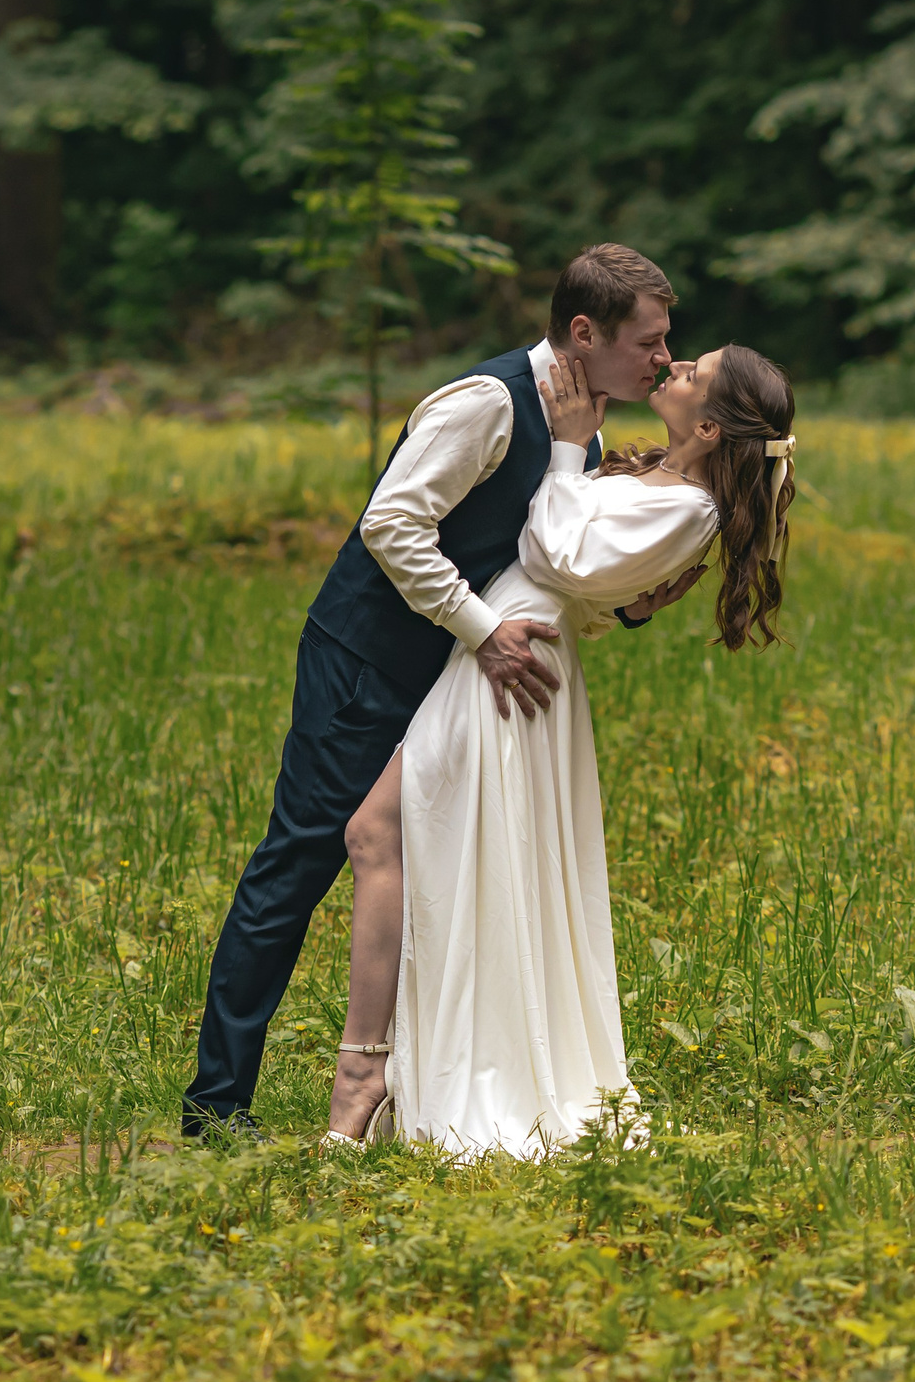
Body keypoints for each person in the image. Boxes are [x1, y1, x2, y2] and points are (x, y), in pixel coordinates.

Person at [184, 245, 699, 1135]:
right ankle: (215, 1107)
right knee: (298, 865)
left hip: (452, 681)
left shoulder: (586, 432)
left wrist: (626, 605)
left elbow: (534, 565)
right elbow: (391, 521)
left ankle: (417, 1089)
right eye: (648, 342)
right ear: (585, 332)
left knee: (426, 872)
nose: (661, 361)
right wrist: (481, 630)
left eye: (665, 345)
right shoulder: (488, 403)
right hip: (369, 663)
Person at [329, 343, 797, 1153]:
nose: (673, 366)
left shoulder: (692, 510)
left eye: (693, 373)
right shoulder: (664, 483)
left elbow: (555, 554)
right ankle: (379, 1068)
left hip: (513, 663)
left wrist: (566, 450)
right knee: (413, 844)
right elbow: (582, 582)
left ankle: (368, 1075)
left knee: (380, 833)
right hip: (507, 647)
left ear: (713, 427)